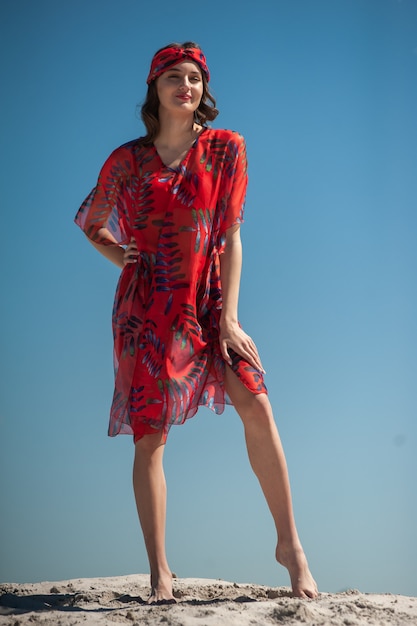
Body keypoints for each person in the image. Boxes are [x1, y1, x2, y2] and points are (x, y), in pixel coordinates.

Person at [74, 41, 318, 602]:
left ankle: (291, 548)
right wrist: (123, 256)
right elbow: (92, 222)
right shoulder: (127, 160)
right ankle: (160, 570)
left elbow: (230, 236)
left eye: (194, 79)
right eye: (173, 78)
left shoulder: (226, 149)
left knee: (256, 403)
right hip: (147, 309)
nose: (186, 86)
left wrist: (230, 319)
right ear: (153, 88)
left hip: (208, 304)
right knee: (149, 438)